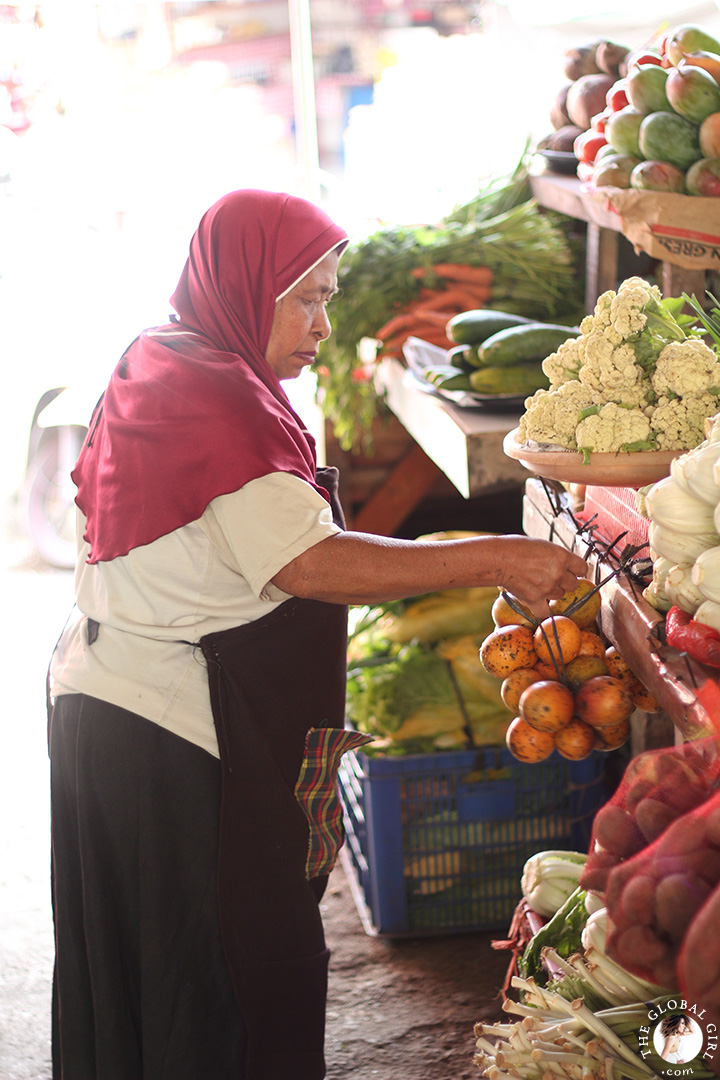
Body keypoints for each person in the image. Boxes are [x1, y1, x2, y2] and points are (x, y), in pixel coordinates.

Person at [47, 188, 588, 1080]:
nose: (323, 323)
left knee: (137, 973)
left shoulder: (168, 359)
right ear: (242, 285)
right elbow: (311, 563)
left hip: (105, 704)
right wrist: (500, 556)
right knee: (219, 978)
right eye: (305, 298)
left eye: (329, 297)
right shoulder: (217, 403)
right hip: (167, 730)